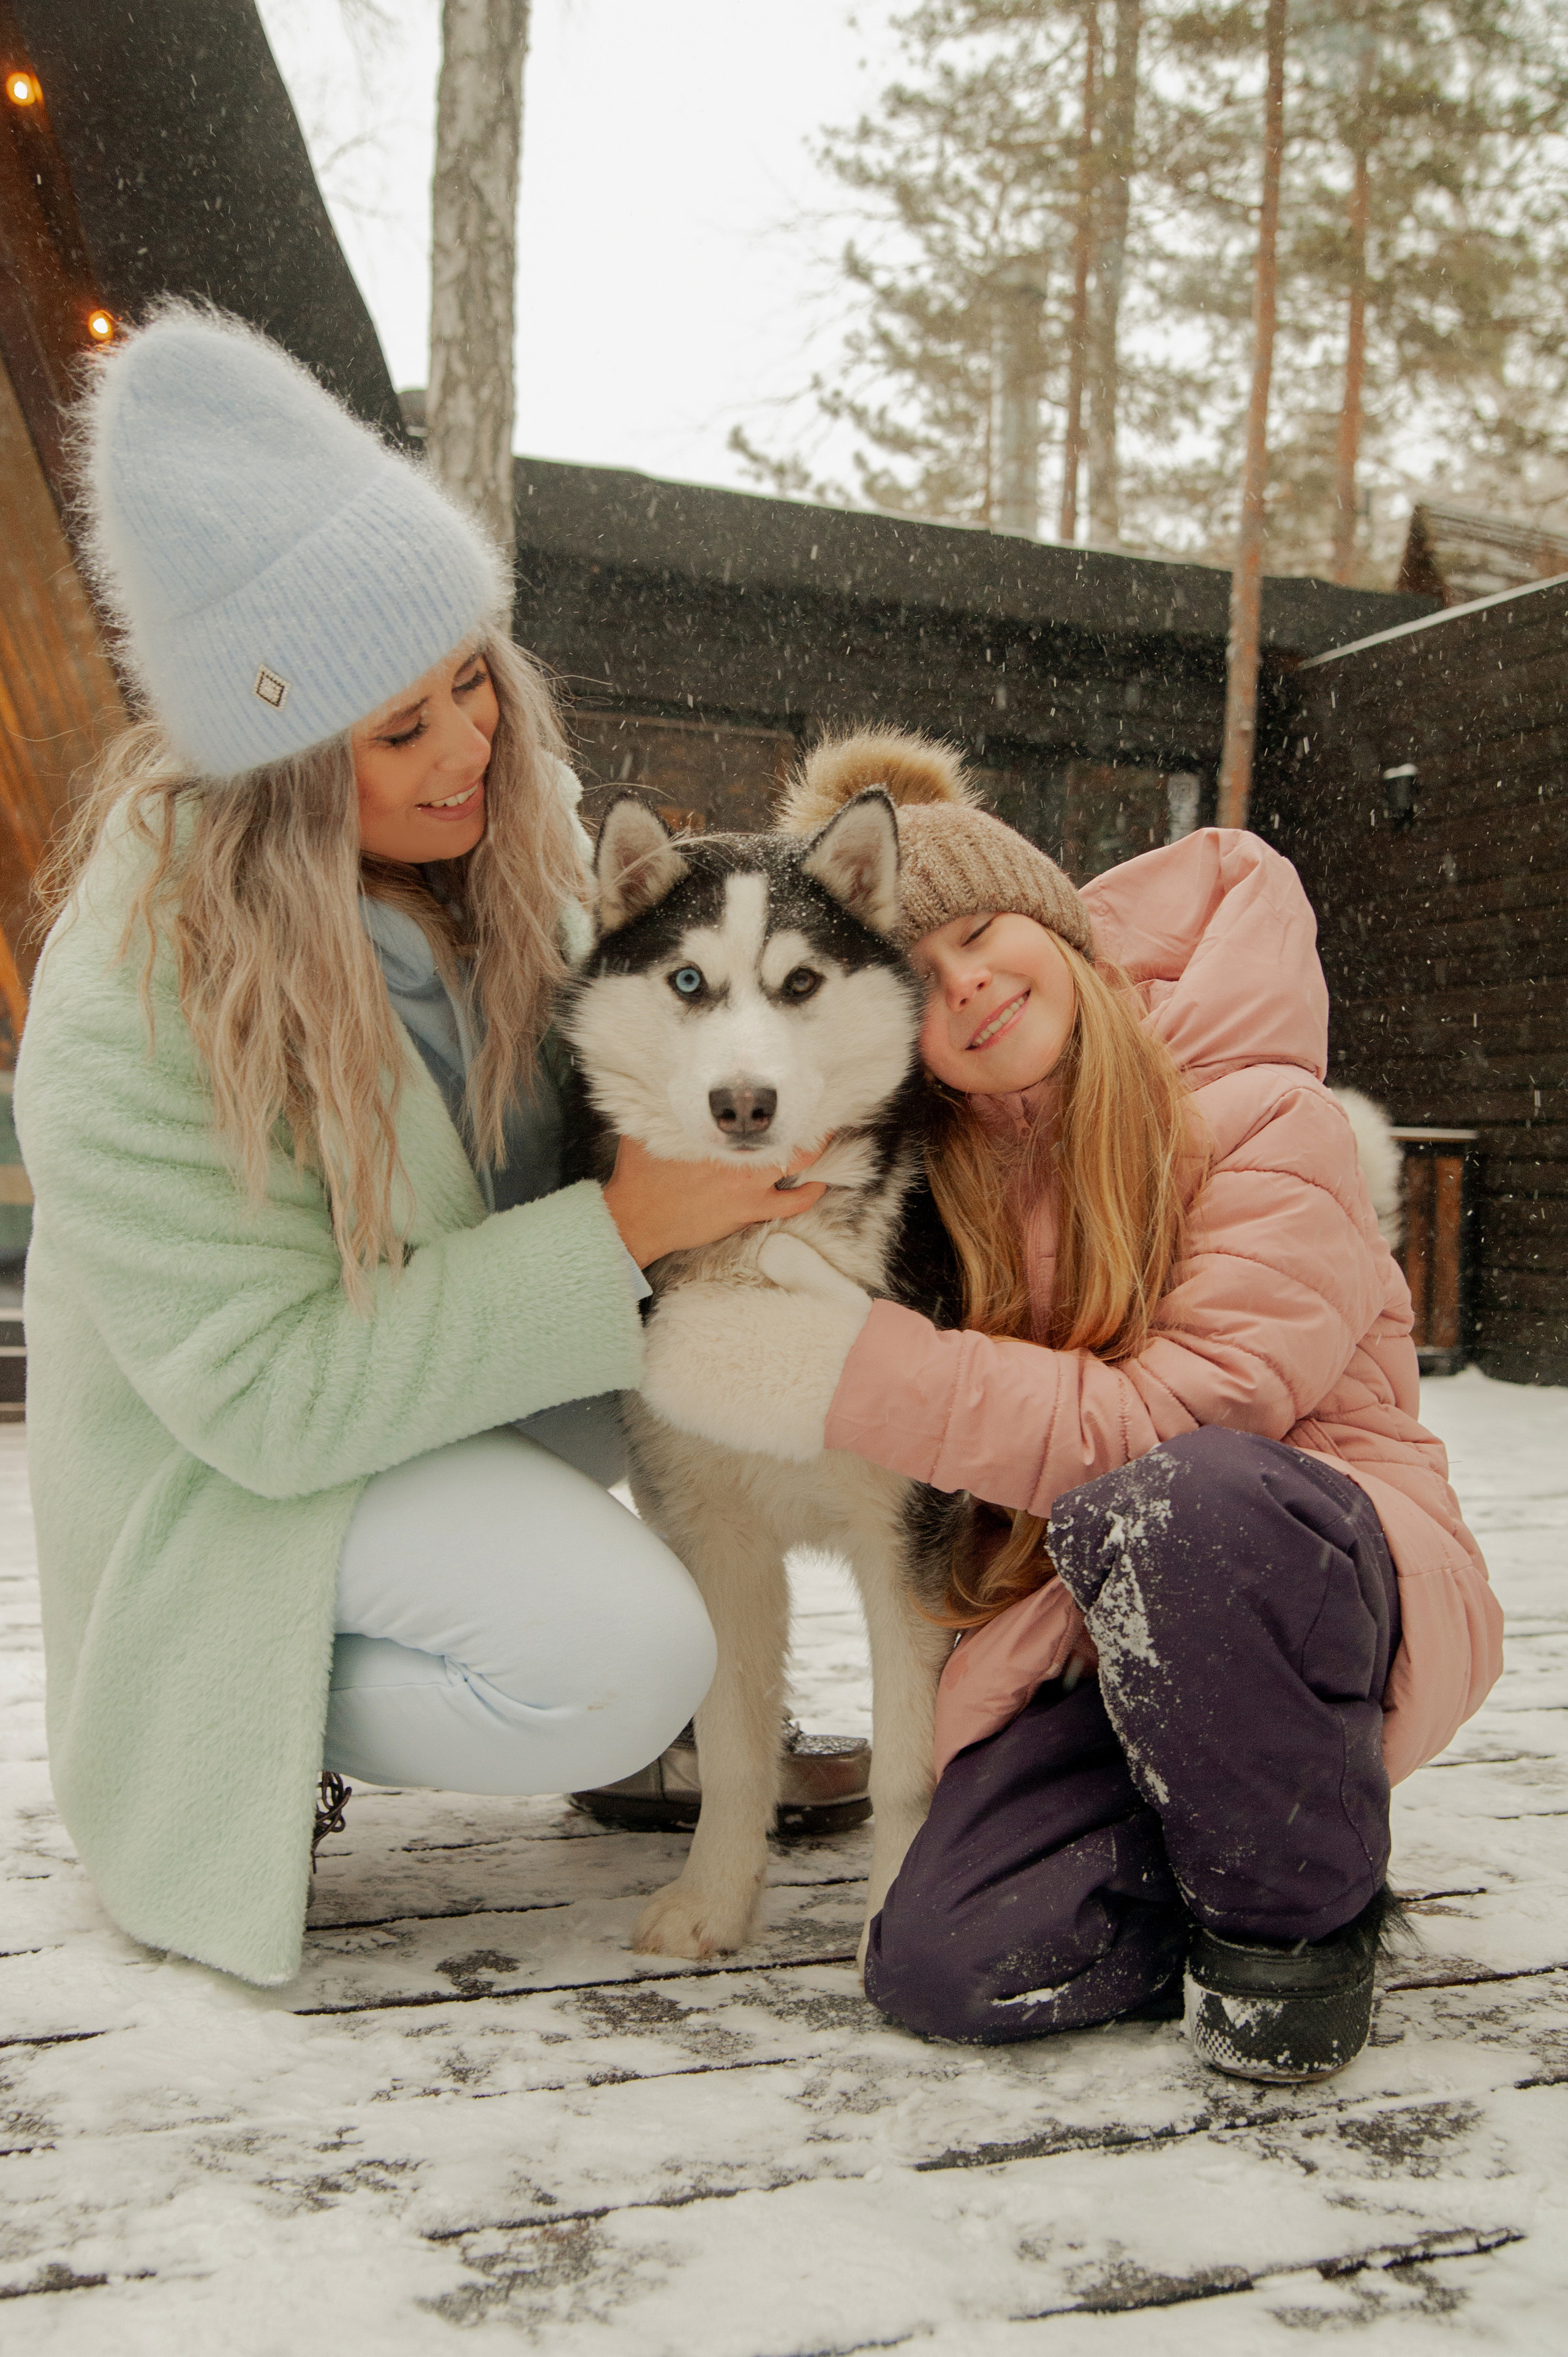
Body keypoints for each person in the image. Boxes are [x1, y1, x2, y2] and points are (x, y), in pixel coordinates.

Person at [13, 305, 842, 1989]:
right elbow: (265, 1397)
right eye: (399, 731)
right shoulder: (132, 1003)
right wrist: (619, 1234)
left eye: (472, 679)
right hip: (243, 1478)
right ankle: (211, 1716)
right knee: (621, 1660)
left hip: (459, 1399)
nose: (470, 747)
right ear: (277, 769)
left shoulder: (503, 877)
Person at [640, 732, 1504, 2083]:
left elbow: (1168, 1422)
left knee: (1188, 1500)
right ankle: (1208, 1842)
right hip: (1087, 1642)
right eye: (919, 978)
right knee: (943, 1958)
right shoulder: (950, 1180)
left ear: (1058, 924)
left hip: (1299, 1580)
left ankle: (1299, 1920)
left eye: (984, 929)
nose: (968, 979)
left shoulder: (1265, 1121)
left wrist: (845, 1365)